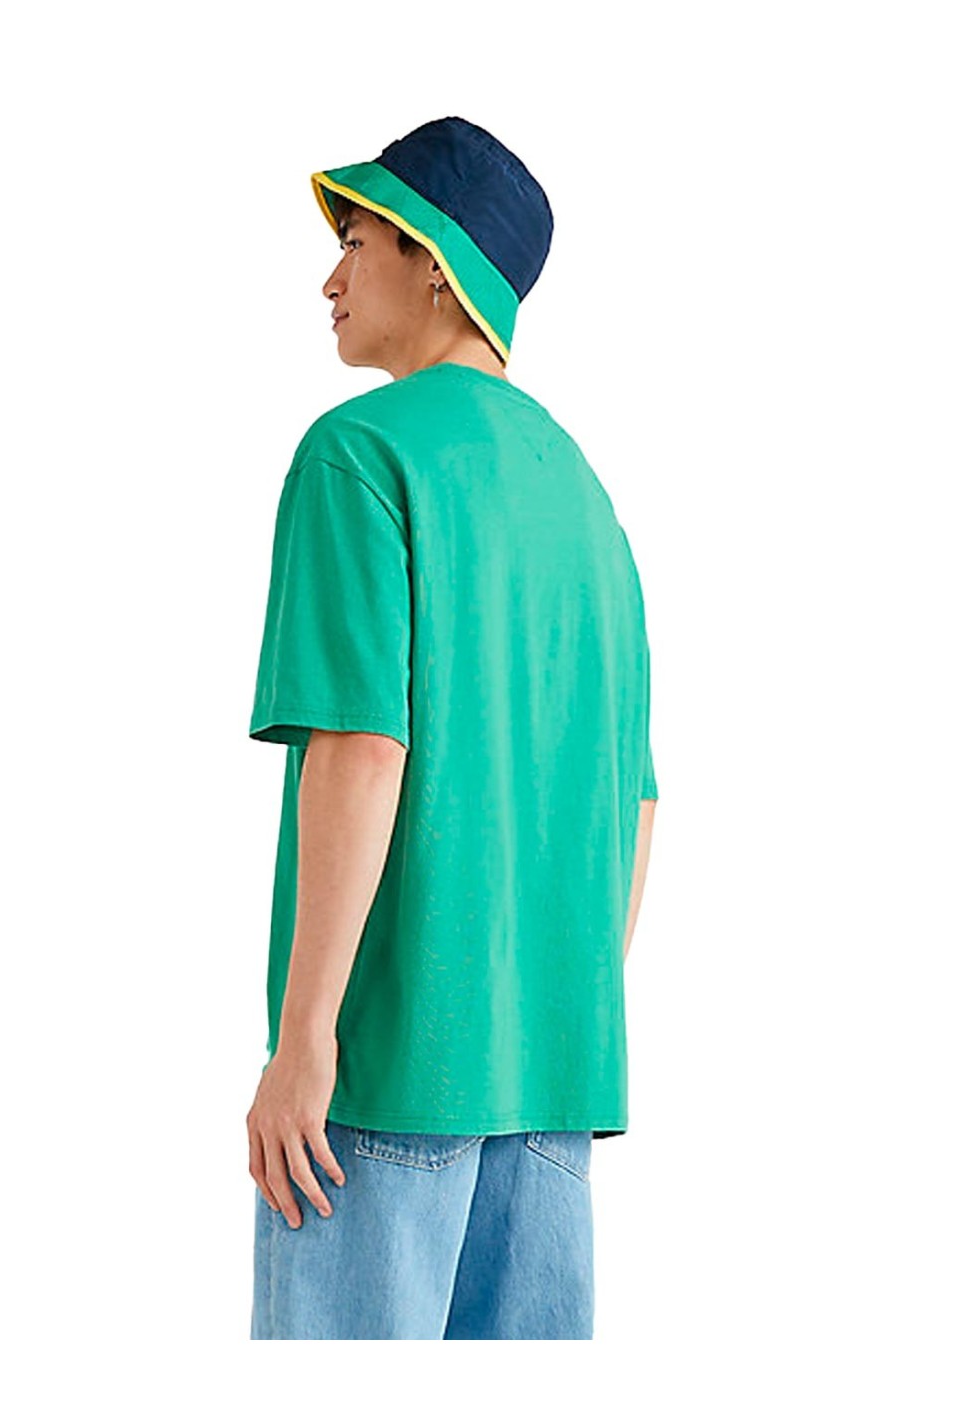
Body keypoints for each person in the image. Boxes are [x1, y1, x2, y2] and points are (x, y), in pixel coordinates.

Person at [244, 116, 658, 1340]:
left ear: (432, 259)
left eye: (354, 241)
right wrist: (544, 1010)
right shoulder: (589, 504)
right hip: (552, 1088)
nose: (329, 278)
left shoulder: (360, 456)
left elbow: (362, 748)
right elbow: (634, 803)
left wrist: (303, 1040)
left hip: (387, 1077)